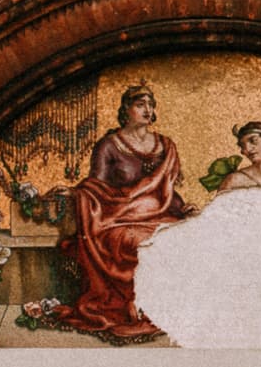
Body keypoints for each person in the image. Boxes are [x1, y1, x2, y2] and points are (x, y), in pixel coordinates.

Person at [53, 82, 195, 341]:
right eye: (140, 105)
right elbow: (97, 187)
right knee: (140, 242)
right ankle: (138, 307)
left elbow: (166, 191)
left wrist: (183, 210)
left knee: (185, 238)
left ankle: (172, 306)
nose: (147, 110)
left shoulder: (166, 145)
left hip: (160, 214)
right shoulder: (109, 145)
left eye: (150, 105)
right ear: (125, 110)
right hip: (117, 218)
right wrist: (76, 194)